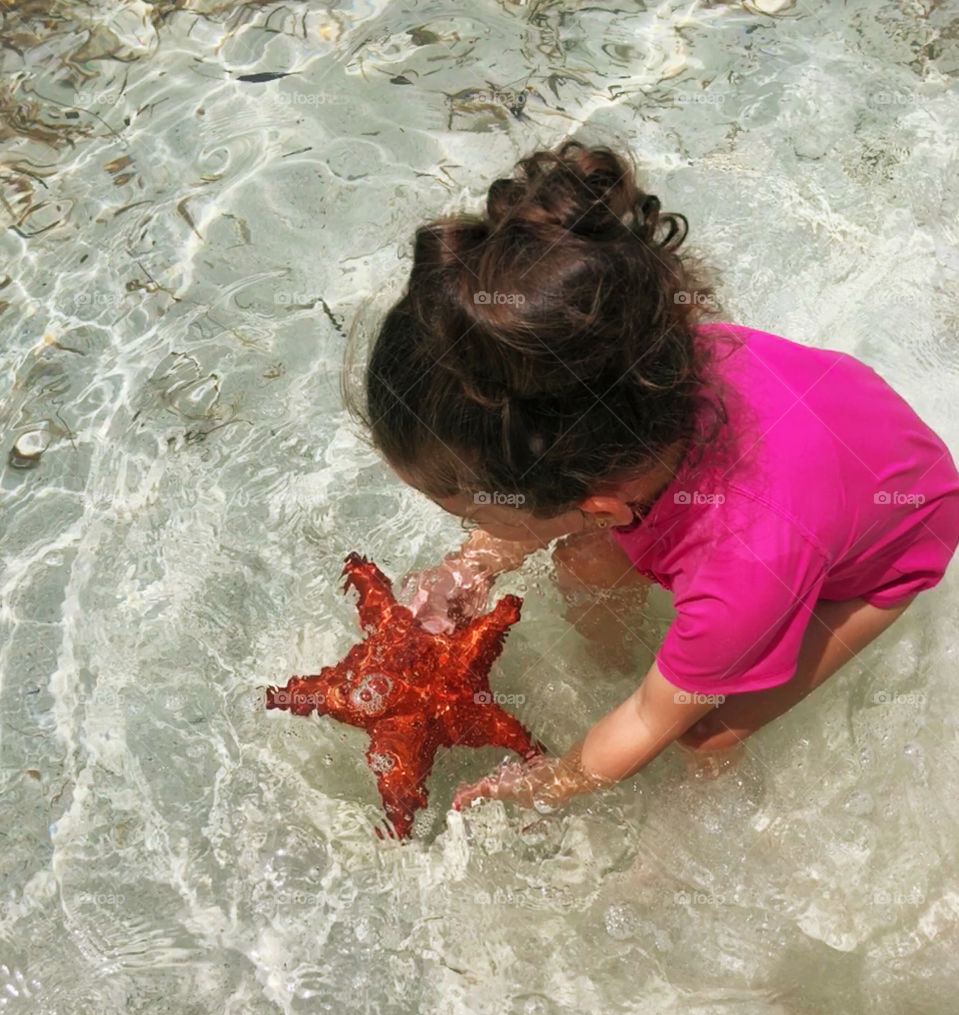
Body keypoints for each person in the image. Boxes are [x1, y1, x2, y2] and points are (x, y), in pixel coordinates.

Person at [346, 138, 959, 815]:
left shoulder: (738, 581)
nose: (469, 525)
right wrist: (475, 565)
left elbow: (642, 722)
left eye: (471, 514)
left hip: (899, 534)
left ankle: (709, 815)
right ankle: (605, 657)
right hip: (833, 440)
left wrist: (550, 781)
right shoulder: (634, 364)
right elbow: (551, 490)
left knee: (702, 730)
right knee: (581, 557)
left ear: (601, 503)